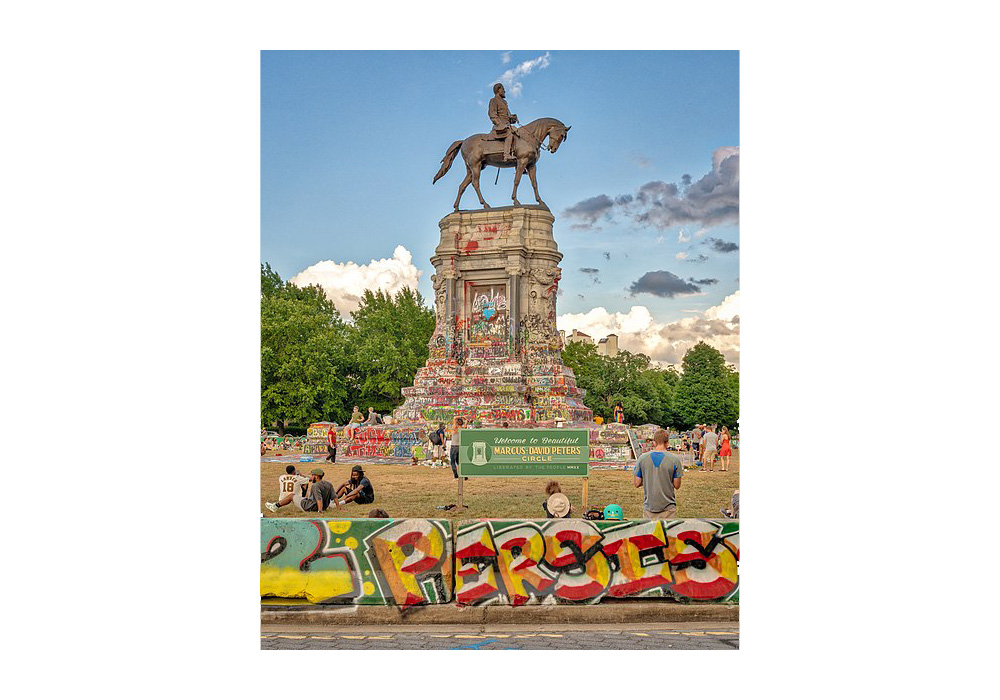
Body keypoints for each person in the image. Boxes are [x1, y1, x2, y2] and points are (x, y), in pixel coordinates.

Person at [633, 429, 683, 519]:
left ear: (654, 442)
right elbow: (677, 485)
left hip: (649, 507)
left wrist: (649, 478)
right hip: (668, 507)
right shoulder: (674, 460)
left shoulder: (642, 458)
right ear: (667, 443)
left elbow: (637, 483)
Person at [488, 82, 518, 161]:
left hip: (507, 125)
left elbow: (507, 118)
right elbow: (492, 114)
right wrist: (499, 124)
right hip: (500, 127)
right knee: (509, 135)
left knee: (518, 136)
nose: (504, 92)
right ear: (498, 90)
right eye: (503, 90)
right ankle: (506, 155)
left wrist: (513, 118)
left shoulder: (504, 103)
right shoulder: (493, 100)